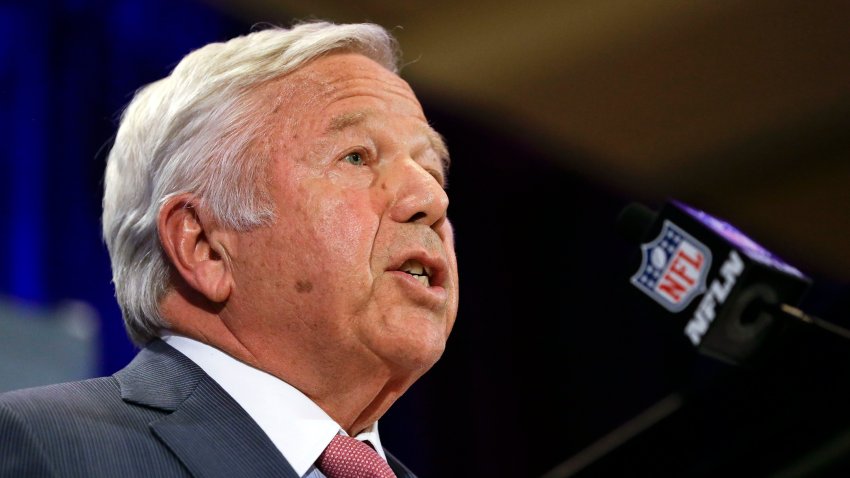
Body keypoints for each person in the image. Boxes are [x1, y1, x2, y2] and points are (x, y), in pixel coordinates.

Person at [0, 21, 459, 478]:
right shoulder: (49, 451)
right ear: (204, 247)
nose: (432, 200)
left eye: (432, 170)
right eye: (356, 156)